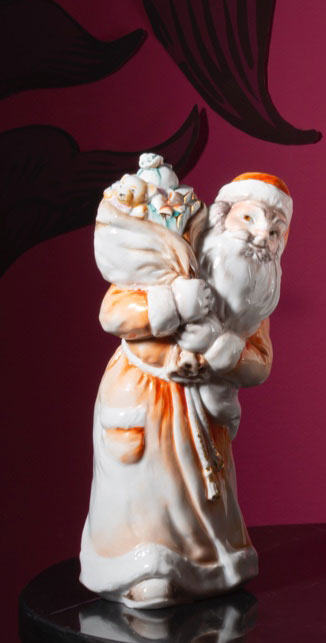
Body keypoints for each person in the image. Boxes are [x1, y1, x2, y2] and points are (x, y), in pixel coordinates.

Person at [80, 172, 292, 605]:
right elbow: (115, 312)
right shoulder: (176, 257)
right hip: (146, 391)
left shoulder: (256, 299)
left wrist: (222, 347)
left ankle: (209, 567)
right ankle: (145, 569)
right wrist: (174, 303)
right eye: (249, 220)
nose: (261, 238)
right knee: (146, 489)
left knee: (200, 493)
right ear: (222, 217)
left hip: (207, 408)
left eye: (275, 232)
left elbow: (259, 363)